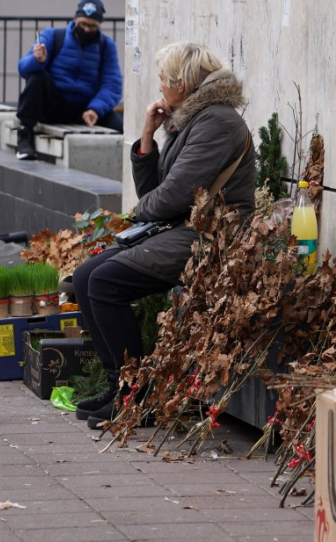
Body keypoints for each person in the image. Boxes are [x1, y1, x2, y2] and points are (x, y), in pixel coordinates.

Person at [72, 42, 256, 429]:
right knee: (87, 275)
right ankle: (118, 386)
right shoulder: (193, 119)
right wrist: (146, 138)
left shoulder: (217, 122)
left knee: (105, 282)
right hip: (184, 228)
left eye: (163, 78)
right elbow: (157, 191)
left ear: (183, 82)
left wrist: (137, 214)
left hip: (212, 237)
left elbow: (172, 196)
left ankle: (132, 396)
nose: (158, 84)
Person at [15, 0, 123, 160]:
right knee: (37, 77)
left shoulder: (106, 46)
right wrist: (36, 60)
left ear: (99, 25)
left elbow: (112, 84)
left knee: (121, 127)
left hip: (85, 109)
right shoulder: (52, 36)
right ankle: (24, 136)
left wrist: (95, 108)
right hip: (52, 106)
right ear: (75, 19)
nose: (86, 29)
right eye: (83, 24)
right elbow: (23, 68)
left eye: (92, 26)